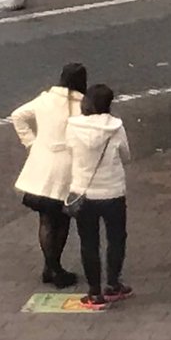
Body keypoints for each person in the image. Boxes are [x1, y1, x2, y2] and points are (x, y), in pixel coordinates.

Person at [11, 63, 87, 288]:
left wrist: (31, 143)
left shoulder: (44, 100)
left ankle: (50, 266)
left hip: (41, 165)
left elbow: (18, 116)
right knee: (62, 219)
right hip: (66, 168)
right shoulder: (82, 105)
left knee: (45, 219)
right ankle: (55, 267)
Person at [65, 84, 133, 307]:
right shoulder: (116, 127)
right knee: (116, 238)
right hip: (113, 191)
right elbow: (126, 155)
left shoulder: (73, 126)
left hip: (83, 191)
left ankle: (94, 292)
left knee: (88, 242)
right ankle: (113, 284)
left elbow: (69, 150)